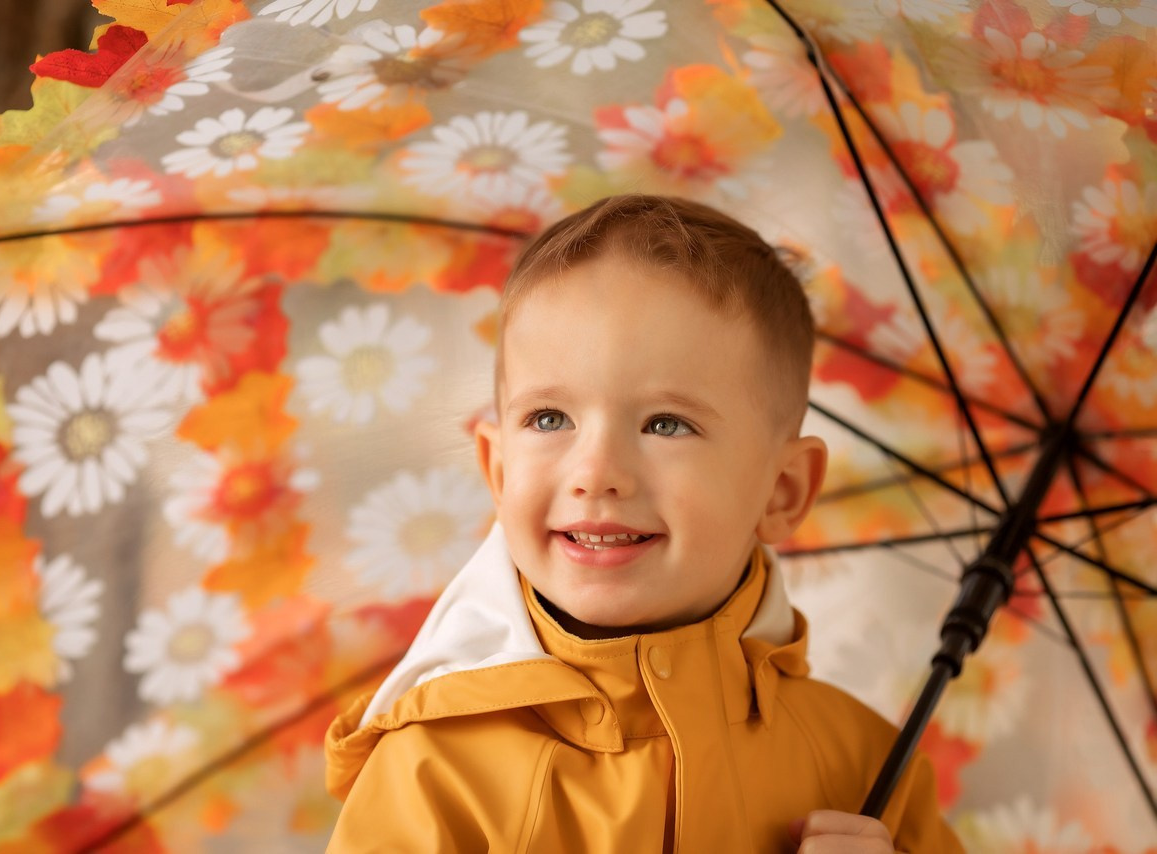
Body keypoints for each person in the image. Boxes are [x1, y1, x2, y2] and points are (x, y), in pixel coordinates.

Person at [324, 194, 962, 852]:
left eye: (665, 424)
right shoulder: (435, 770)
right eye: (549, 419)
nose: (596, 471)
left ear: (782, 490)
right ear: (498, 467)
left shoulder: (866, 770)